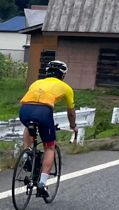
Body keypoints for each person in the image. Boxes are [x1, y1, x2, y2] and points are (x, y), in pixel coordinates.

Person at [18, 59, 76, 197]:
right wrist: (73, 126)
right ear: (62, 75)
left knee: (29, 126)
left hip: (25, 110)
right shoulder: (66, 88)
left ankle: (26, 154)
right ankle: (42, 184)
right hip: (44, 113)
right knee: (49, 147)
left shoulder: (36, 83)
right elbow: (71, 113)